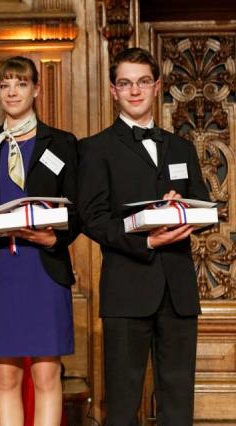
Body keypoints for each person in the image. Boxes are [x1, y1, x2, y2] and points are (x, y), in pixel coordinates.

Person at [78, 47, 209, 425]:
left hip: (178, 289)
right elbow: (94, 219)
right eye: (125, 83)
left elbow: (204, 207)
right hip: (126, 288)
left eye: (143, 82)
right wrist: (147, 240)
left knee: (178, 398)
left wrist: (183, 206)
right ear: (113, 90)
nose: (135, 90)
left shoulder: (181, 147)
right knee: (122, 402)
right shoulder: (95, 149)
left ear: (157, 86)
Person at [0, 56, 79, 425]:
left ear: (36, 90)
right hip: (1, 269)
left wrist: (51, 237)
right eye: (5, 85)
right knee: (6, 375)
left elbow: (77, 212)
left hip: (43, 268)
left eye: (21, 83)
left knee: (46, 373)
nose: (12, 91)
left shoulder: (61, 143)